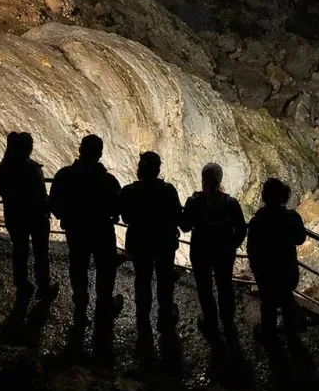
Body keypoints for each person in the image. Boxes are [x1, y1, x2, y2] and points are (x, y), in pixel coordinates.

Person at [50, 134, 123, 324]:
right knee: (105, 269)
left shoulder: (65, 175)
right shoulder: (108, 180)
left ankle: (80, 309)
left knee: (78, 266)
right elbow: (118, 207)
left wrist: (66, 217)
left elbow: (55, 203)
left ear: (80, 150)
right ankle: (104, 304)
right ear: (99, 154)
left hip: (76, 231)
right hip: (102, 231)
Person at [118, 151, 182, 334]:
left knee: (142, 280)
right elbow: (178, 216)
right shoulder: (168, 190)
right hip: (164, 242)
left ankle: (143, 319)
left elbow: (123, 215)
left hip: (139, 242)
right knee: (165, 280)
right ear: (158, 169)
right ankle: (165, 318)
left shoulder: (130, 191)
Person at [180, 162, 246, 336]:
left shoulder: (194, 202)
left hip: (200, 250)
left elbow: (185, 226)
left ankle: (210, 320)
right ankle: (228, 322)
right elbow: (241, 229)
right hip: (223, 252)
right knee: (225, 286)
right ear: (220, 180)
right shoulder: (230, 203)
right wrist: (231, 244)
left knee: (204, 286)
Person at [0, 131, 55, 301]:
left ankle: (22, 285)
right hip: (35, 218)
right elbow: (41, 196)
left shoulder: (3, 167)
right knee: (40, 253)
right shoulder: (32, 169)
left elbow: (1, 190)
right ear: (28, 149)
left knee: (20, 251)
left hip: (14, 216)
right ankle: (43, 287)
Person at [246, 177, 306, 346]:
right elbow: (300, 238)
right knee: (287, 302)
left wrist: (256, 269)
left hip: (266, 271)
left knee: (268, 304)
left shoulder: (257, 221)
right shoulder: (291, 217)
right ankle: (292, 337)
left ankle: (270, 336)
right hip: (286, 268)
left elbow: (251, 249)